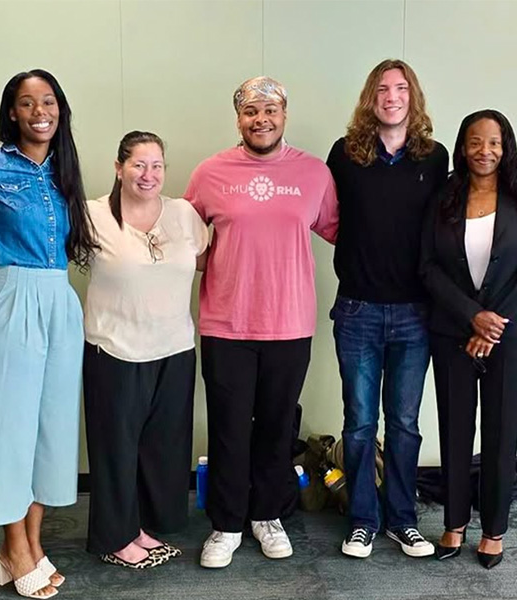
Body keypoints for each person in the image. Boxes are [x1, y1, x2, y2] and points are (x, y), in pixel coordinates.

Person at [184, 76, 338, 568]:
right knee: (229, 427)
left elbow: (345, 234)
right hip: (226, 323)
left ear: (285, 115)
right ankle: (227, 524)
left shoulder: (314, 173)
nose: (261, 119)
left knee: (275, 425)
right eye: (251, 110)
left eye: (270, 110)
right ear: (239, 118)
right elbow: (184, 241)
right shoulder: (210, 172)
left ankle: (267, 516)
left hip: (290, 323)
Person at [0, 69, 97, 599]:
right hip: (12, 294)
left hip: (59, 299)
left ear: (60, 110)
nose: (39, 111)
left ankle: (28, 541)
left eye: (48, 101)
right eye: (27, 103)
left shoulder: (65, 171)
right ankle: (15, 546)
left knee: (52, 427)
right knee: (11, 427)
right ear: (11, 112)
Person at [326, 59, 448, 559]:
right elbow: (324, 215)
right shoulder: (345, 153)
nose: (391, 96)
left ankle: (401, 519)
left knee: (403, 423)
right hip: (357, 310)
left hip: (415, 314)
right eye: (382, 88)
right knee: (358, 423)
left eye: (400, 88)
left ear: (412, 97)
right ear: (370, 97)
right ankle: (362, 520)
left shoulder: (434, 157)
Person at [83, 130, 208, 569]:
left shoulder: (183, 213)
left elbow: (207, 261)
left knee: (162, 448)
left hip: (174, 347)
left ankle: (141, 527)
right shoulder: (92, 215)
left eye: (156, 165)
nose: (148, 174)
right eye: (138, 164)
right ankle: (114, 537)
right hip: (114, 349)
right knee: (115, 447)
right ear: (118, 168)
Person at [421, 109, 517, 569]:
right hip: (452, 331)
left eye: (494, 143)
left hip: (508, 335)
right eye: (476, 142)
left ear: (506, 147)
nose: (485, 151)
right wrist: (472, 316)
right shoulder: (444, 198)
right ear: (462, 147)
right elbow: (428, 267)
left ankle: (494, 529)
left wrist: (494, 324)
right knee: (455, 428)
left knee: (502, 432)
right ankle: (455, 523)